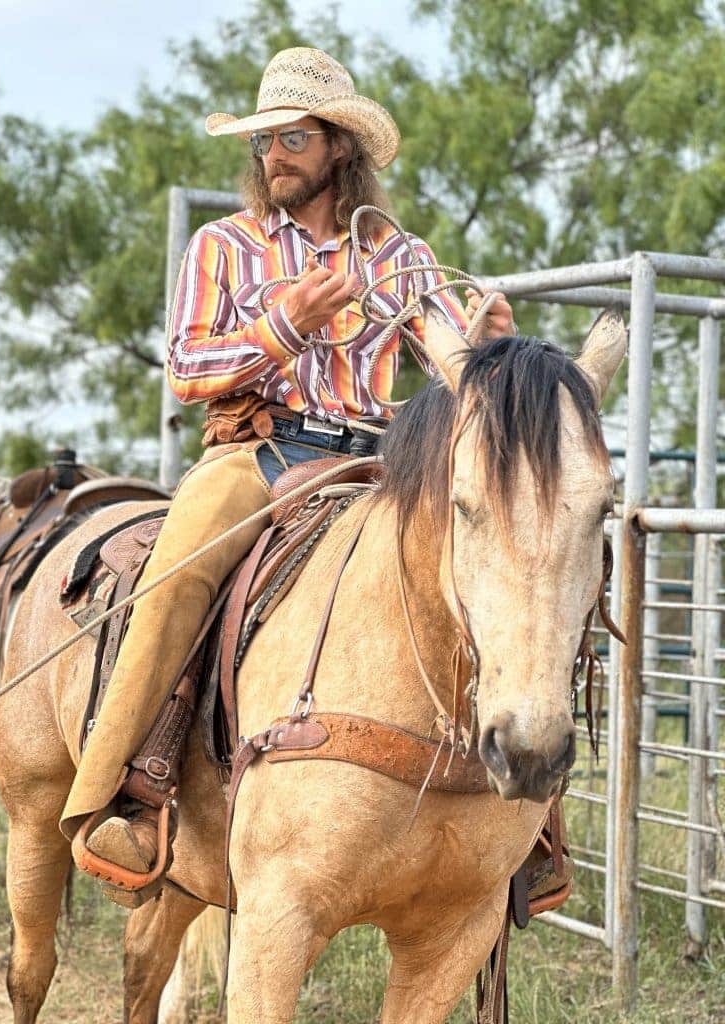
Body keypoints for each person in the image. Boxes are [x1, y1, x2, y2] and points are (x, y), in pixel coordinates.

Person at [59, 46, 515, 882]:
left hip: (378, 463)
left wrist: (488, 347)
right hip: (262, 455)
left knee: (506, 558)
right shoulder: (223, 247)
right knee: (177, 572)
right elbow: (187, 369)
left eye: (292, 140)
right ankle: (125, 789)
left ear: (339, 147)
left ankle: (522, 826)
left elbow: (446, 354)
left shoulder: (394, 254)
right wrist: (283, 328)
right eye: (264, 142)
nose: (272, 157)